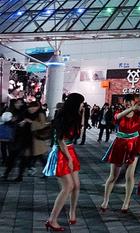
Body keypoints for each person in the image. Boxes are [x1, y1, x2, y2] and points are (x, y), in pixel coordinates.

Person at [100, 94, 140, 213]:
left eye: (130, 101)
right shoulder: (119, 111)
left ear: (134, 102)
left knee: (129, 176)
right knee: (113, 176)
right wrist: (131, 109)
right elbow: (117, 117)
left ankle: (126, 202)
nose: (127, 103)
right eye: (126, 102)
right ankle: (105, 201)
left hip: (134, 145)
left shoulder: (139, 114)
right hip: (120, 144)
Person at [44, 93, 85, 231]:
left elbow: (79, 132)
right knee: (68, 187)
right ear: (75, 104)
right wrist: (69, 159)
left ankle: (72, 212)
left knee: (76, 185)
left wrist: (82, 115)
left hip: (69, 150)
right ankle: (52, 219)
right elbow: (61, 140)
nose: (82, 106)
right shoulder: (62, 117)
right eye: (81, 103)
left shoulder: (74, 116)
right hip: (61, 152)